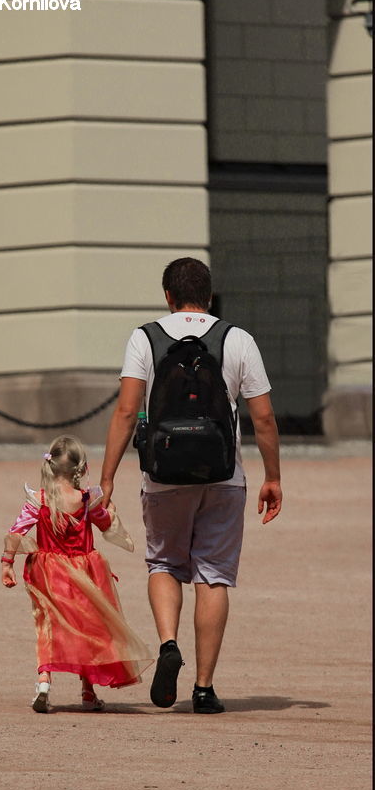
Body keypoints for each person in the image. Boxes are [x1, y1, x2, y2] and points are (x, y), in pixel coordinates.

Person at [100, 257, 282, 714]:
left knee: (163, 563)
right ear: (209, 294)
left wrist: (106, 477)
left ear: (167, 295)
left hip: (163, 476)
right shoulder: (237, 339)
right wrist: (273, 477)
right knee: (213, 576)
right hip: (223, 476)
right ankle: (204, 689)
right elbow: (262, 417)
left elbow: (126, 411)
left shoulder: (146, 337)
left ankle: (167, 645)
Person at [1, 435, 153, 713]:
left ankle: (44, 680)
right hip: (85, 572)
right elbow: (106, 523)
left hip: (47, 572)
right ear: (81, 470)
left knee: (48, 624)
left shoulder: (40, 500)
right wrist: (110, 511)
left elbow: (16, 531)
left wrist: (7, 562)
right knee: (88, 628)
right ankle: (88, 690)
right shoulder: (86, 501)